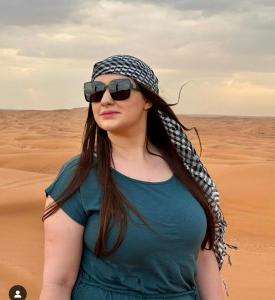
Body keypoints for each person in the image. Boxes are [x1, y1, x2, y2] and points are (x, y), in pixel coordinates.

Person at [39, 54, 238, 300]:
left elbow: (203, 258)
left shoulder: (186, 172)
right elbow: (57, 284)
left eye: (120, 89)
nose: (106, 99)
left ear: (147, 100)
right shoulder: (79, 176)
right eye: (95, 91)